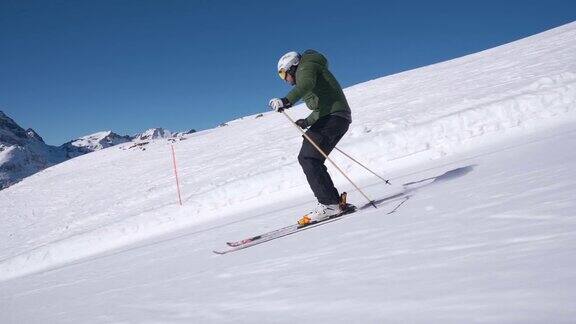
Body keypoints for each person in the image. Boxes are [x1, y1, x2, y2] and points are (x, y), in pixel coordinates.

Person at [269, 50, 352, 225]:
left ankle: (329, 204)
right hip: (335, 117)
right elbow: (322, 106)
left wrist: (286, 100)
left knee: (308, 157)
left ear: (292, 67)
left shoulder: (305, 68)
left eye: (283, 73)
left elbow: (305, 84)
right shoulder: (310, 69)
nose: (284, 79)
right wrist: (307, 121)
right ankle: (332, 202)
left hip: (333, 117)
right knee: (310, 156)